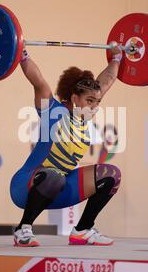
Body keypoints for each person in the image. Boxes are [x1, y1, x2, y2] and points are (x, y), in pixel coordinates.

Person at [10, 42, 123, 247]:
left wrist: (117, 58)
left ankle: (82, 230)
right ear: (74, 98)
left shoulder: (84, 115)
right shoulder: (52, 111)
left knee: (111, 175)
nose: (95, 106)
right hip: (26, 187)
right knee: (54, 175)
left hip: (61, 188)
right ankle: (23, 229)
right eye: (90, 101)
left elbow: (106, 82)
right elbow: (38, 82)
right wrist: (21, 53)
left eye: (97, 102)